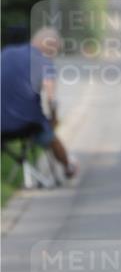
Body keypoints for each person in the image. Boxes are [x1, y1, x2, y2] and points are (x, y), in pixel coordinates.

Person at [1, 28, 79, 178]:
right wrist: (54, 119)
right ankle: (68, 167)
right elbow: (51, 99)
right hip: (26, 125)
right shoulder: (44, 61)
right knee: (49, 134)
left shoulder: (6, 52)